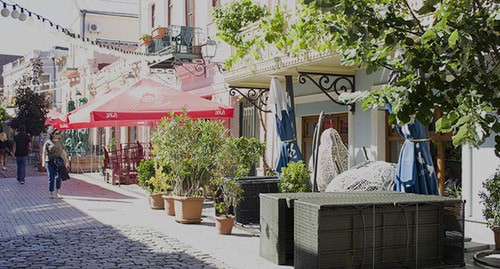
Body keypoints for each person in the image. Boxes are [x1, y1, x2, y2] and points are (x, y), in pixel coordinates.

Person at [41, 129, 69, 199]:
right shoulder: (48, 142)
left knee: (58, 177)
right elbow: (44, 152)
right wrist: (43, 161)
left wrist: (66, 161)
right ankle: (51, 192)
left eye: (58, 133)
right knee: (51, 177)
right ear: (52, 134)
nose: (57, 135)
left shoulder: (60, 142)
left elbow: (63, 152)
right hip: (50, 161)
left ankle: (58, 192)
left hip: (58, 161)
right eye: (56, 133)